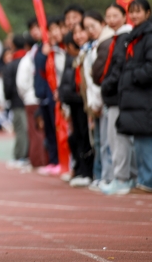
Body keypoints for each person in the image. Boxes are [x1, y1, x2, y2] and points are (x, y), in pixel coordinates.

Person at [113, 0, 152, 194]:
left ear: (148, 13)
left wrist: (133, 76)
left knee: (145, 138)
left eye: (138, 11)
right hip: (134, 97)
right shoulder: (134, 36)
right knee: (139, 138)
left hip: (144, 96)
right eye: (132, 11)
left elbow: (149, 68)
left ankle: (147, 180)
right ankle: (143, 179)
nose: (135, 15)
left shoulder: (148, 36)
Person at [100, 2, 136, 195]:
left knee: (118, 140)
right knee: (114, 140)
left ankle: (122, 179)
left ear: (124, 17)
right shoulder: (116, 38)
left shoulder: (124, 38)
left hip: (118, 96)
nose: (111, 20)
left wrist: (106, 85)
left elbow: (119, 67)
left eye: (115, 16)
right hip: (114, 95)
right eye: (108, 16)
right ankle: (124, 177)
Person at [81, 10, 115, 188]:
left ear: (102, 24)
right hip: (95, 102)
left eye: (92, 26)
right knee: (100, 142)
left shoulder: (108, 42)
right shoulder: (92, 46)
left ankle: (108, 177)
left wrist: (98, 102)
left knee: (108, 142)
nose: (90, 30)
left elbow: (99, 76)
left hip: (105, 100)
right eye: (86, 28)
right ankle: (101, 175)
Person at [59, 31, 94, 187]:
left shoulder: (84, 55)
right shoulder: (72, 59)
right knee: (76, 138)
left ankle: (87, 172)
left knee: (86, 138)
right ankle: (80, 169)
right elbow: (66, 81)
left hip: (83, 102)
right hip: (72, 101)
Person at [34, 16, 66, 177]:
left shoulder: (65, 47)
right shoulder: (44, 49)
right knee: (50, 130)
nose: (53, 33)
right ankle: (54, 161)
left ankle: (63, 161)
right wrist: (44, 54)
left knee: (60, 129)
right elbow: (39, 69)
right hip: (46, 95)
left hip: (61, 95)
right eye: (50, 30)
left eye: (55, 29)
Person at [17, 18, 47, 168]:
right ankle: (40, 161)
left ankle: (40, 161)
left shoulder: (33, 55)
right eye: (32, 29)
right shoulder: (33, 54)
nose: (35, 31)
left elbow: (22, 83)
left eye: (37, 28)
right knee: (37, 132)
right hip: (35, 98)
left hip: (35, 97)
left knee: (37, 133)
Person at [3, 34, 30, 169]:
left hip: (17, 100)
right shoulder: (28, 59)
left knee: (21, 129)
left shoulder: (12, 64)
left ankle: (21, 156)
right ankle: (26, 155)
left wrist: (8, 98)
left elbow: (7, 85)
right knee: (27, 128)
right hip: (30, 99)